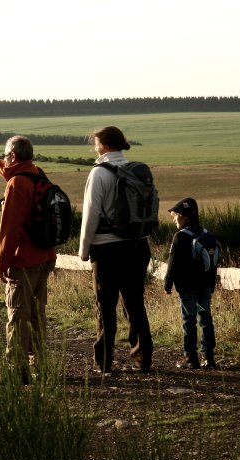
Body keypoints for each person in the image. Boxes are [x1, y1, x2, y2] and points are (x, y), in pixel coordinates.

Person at [0, 136, 56, 384]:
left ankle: (16, 371)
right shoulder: (36, 173)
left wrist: (1, 262)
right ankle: (41, 367)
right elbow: (5, 168)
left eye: (6, 155)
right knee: (37, 315)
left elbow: (9, 229)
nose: (4, 159)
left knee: (17, 317)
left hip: (24, 261)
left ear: (14, 157)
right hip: (45, 256)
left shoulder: (17, 184)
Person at [79, 126, 153, 374]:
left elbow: (91, 214)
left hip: (107, 248)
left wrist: (84, 248)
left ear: (105, 145)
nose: (95, 147)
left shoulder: (99, 173)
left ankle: (104, 361)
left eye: (96, 143)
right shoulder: (135, 170)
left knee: (105, 305)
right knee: (134, 302)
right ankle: (143, 358)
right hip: (137, 244)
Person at [164, 197, 218, 369]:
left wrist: (167, 284)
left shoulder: (180, 237)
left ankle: (191, 358)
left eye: (175, 216)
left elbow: (173, 263)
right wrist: (211, 284)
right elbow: (213, 264)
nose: (174, 219)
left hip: (187, 286)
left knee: (189, 319)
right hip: (205, 285)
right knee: (206, 318)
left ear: (183, 216)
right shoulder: (207, 234)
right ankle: (208, 357)